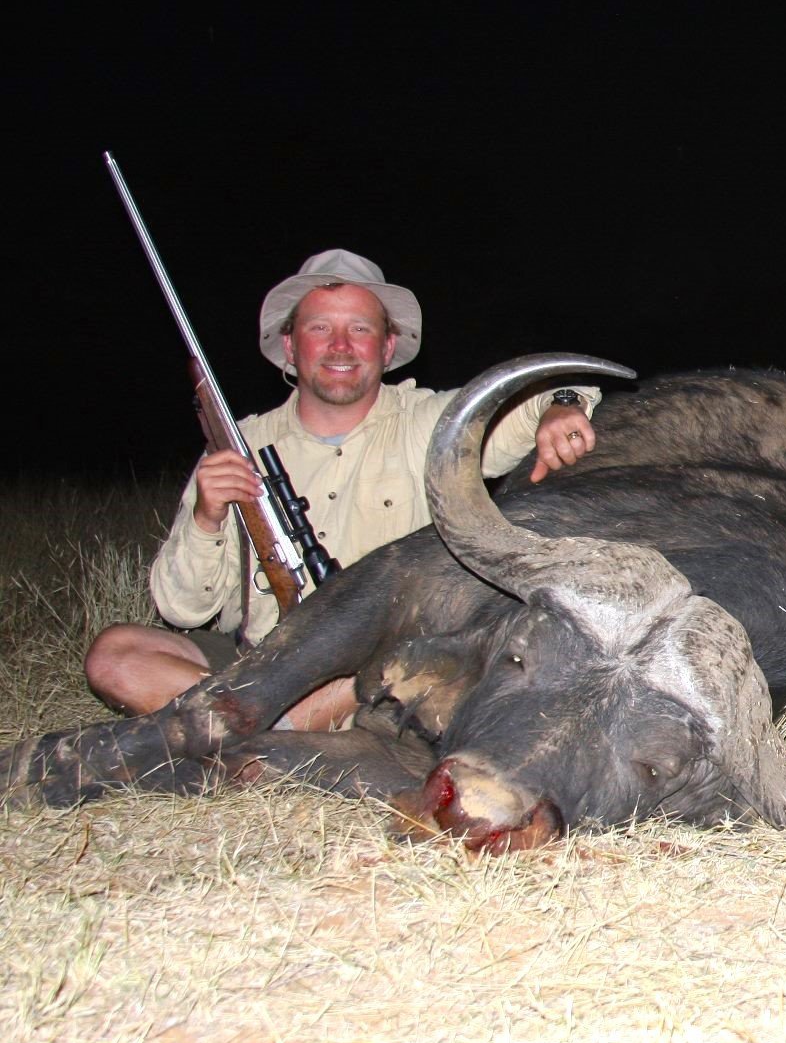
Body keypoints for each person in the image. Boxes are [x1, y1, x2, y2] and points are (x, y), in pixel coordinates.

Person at [84, 250, 603, 730]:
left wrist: (559, 403)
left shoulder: (430, 423)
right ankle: (267, 733)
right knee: (116, 655)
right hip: (261, 659)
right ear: (290, 345)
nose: (340, 346)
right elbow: (182, 611)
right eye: (320, 328)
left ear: (387, 345)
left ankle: (237, 730)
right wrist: (207, 517)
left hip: (372, 669)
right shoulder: (240, 445)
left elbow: (549, 388)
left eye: (359, 328)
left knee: (417, 665)